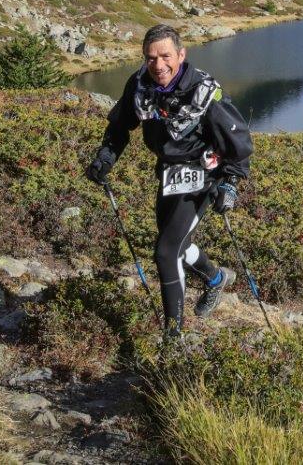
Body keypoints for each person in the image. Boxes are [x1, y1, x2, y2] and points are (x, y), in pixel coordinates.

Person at [86, 24, 254, 336]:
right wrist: (105, 157)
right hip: (168, 172)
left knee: (165, 252)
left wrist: (230, 183)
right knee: (177, 243)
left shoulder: (205, 90)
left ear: (181, 55)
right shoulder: (138, 85)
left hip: (204, 174)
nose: (158, 65)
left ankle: (172, 339)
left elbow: (239, 141)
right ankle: (216, 279)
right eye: (151, 58)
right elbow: (119, 126)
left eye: (165, 56)